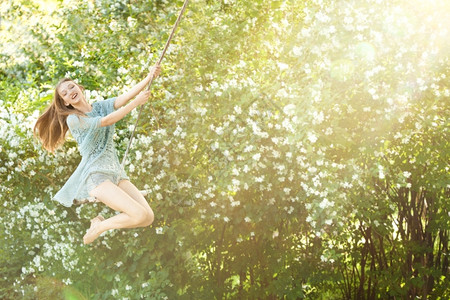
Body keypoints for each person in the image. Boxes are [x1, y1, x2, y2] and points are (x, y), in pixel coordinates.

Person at [34, 65, 161, 244]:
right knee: (138, 214)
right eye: (64, 93)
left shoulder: (100, 106)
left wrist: (149, 78)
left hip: (115, 173)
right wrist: (137, 103)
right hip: (97, 176)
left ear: (79, 88)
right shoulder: (74, 119)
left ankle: (99, 223)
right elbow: (108, 120)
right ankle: (99, 226)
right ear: (66, 102)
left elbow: (124, 98)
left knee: (148, 217)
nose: (70, 91)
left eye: (71, 86)